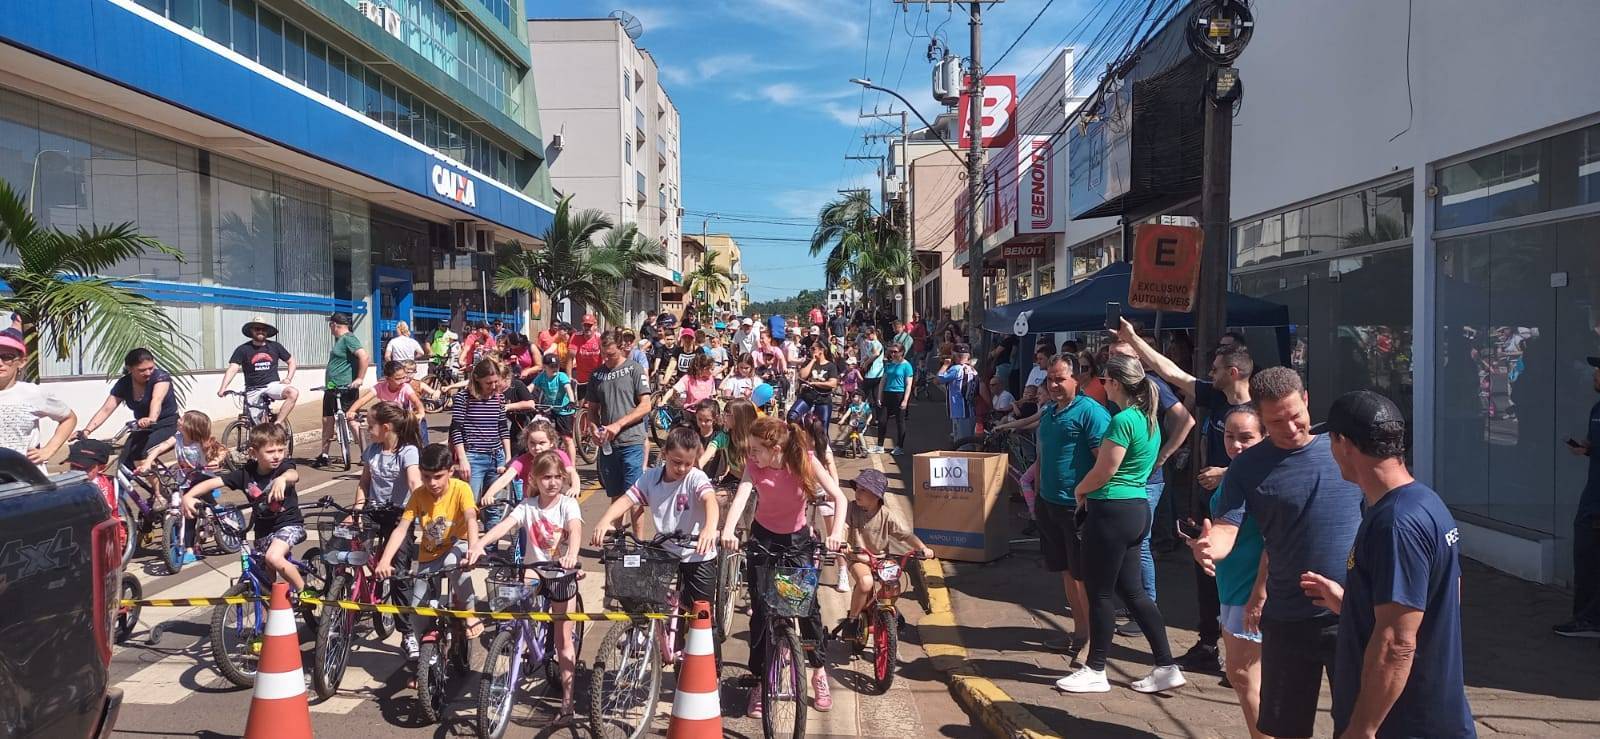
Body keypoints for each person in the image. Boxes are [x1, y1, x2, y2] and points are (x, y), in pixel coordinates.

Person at [1189, 368, 1364, 739]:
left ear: (1307, 400)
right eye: (1277, 421)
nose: (1290, 427)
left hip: (1349, 610)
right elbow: (1226, 529)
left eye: (1295, 416)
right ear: (1264, 420)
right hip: (1286, 617)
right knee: (1284, 726)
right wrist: (1209, 548)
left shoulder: (1345, 450)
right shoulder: (1247, 468)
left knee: (1358, 724)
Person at [1299, 391, 1475, 739]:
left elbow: (1397, 642)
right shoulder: (1426, 501)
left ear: (1345, 444)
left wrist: (1363, 729)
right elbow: (1447, 594)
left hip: (1405, 723)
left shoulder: (1395, 523)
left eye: (1331, 440)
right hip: (1431, 714)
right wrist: (1354, 604)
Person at [1118, 320, 1254, 668]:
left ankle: (1247, 656)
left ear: (1234, 372)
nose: (1209, 374)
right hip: (1213, 508)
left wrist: (1228, 472)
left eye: (1215, 369)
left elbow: (1275, 456)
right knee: (1206, 577)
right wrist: (1134, 338)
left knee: (1241, 583)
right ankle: (1208, 646)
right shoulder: (1217, 397)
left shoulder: (1261, 407)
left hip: (1248, 517)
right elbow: (1173, 373)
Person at [1054, 354, 1183, 694]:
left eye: (1106, 381)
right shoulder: (1147, 417)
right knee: (1133, 591)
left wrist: (1080, 489)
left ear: (1116, 383)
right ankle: (1166, 664)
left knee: (1100, 593)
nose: (1102, 385)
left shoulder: (1123, 419)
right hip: (1136, 508)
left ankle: (1096, 669)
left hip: (1111, 510)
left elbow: (1105, 470)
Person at [719, 417, 848, 717]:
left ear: (775, 448)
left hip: (797, 541)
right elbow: (741, 498)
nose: (750, 455)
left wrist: (836, 532)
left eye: (756, 449)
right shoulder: (755, 467)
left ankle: (817, 671)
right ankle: (761, 683)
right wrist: (728, 530)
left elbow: (839, 497)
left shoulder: (804, 461)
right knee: (761, 615)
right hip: (763, 539)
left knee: (808, 610)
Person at [994, 354, 1105, 657]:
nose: (1054, 384)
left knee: (1085, 579)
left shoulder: (1091, 413)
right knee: (1067, 574)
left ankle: (1095, 644)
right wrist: (1040, 492)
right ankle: (1079, 633)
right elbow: (1044, 455)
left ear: (1077, 379)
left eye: (1060, 378)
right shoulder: (1051, 412)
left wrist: (1087, 496)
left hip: (1078, 508)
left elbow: (1105, 462)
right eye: (1050, 379)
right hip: (1050, 504)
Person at [469, 449, 582, 723]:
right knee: (514, 607)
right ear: (534, 479)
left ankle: (567, 701)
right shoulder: (527, 506)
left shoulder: (567, 505)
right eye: (546, 477)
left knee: (562, 638)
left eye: (557, 477)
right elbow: (504, 525)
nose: (552, 482)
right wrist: (480, 544)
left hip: (559, 574)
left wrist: (572, 555)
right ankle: (522, 642)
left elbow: (575, 529)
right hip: (532, 573)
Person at [1107, 337, 1195, 622]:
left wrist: (1165, 455)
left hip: (1147, 479)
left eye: (1120, 356)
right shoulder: (1114, 386)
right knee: (1126, 542)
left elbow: (1186, 419)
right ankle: (1135, 602)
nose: (1113, 361)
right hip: (1126, 476)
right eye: (1110, 355)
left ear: (1137, 360)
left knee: (1139, 542)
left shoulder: (1153, 384)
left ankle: (1147, 607)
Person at [591, 426, 720, 617]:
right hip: (664, 550)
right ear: (664, 453)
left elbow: (710, 500)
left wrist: (709, 529)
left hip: (697, 554)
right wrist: (605, 521)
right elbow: (627, 499)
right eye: (676, 462)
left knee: (703, 619)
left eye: (688, 463)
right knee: (639, 594)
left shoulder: (695, 477)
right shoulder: (651, 477)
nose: (682, 468)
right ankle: (643, 634)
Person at [375, 443, 482, 663]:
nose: (432, 483)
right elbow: (402, 529)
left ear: (450, 471)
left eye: (438, 476)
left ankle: (470, 613)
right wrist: (385, 560)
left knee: (455, 563)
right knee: (416, 611)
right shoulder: (418, 495)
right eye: (426, 477)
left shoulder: (461, 489)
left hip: (458, 545)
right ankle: (429, 661)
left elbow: (471, 518)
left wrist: (473, 549)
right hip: (429, 554)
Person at [1202, 406, 1271, 738]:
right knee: (1247, 675)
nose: (1237, 445)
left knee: (1242, 674)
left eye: (1247, 438)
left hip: (1250, 588)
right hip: (1231, 583)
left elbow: (1278, 542)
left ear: (1264, 437)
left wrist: (1260, 592)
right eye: (1230, 436)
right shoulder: (1237, 474)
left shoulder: (1264, 481)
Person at [184, 423, 311, 600]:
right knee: (265, 583)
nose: (276, 456)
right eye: (270, 451)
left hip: (288, 524)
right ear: (253, 453)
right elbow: (214, 482)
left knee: (273, 558)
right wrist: (189, 496)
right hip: (262, 531)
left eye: (280, 450)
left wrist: (282, 479)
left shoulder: (283, 467)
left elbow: (292, 474)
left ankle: (305, 591)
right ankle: (268, 622)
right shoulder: (246, 474)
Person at [350, 401, 423, 656]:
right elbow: (364, 483)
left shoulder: (408, 451)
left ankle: (408, 632)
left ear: (386, 427)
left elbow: (415, 481)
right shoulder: (372, 450)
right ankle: (345, 598)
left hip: (399, 517)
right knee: (348, 551)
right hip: (373, 512)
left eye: (370, 426)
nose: (366, 429)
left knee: (399, 573)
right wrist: (356, 511)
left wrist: (423, 513)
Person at [840, 468, 934, 631]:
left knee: (894, 585)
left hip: (882, 559)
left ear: (876, 497)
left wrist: (923, 548)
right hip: (858, 558)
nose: (857, 493)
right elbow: (844, 527)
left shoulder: (886, 515)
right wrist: (841, 542)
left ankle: (888, 610)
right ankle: (853, 620)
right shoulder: (851, 508)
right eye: (858, 489)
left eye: (863, 490)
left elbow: (906, 535)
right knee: (865, 582)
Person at [137, 410, 229, 564]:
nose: (179, 420)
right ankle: (190, 549)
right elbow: (159, 449)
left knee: (200, 507)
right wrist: (147, 462)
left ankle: (219, 514)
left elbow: (222, 450)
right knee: (187, 513)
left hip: (202, 479)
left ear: (192, 427)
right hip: (184, 480)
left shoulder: (202, 442)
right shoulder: (177, 437)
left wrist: (217, 461)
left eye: (183, 420)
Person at [588, 330, 654, 537]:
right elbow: (592, 410)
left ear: (622, 348)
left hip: (631, 441)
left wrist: (618, 425)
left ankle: (639, 543)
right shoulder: (597, 375)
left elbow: (645, 405)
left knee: (634, 495)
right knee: (615, 494)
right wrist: (593, 429)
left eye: (611, 355)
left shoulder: (634, 370)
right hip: (608, 445)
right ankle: (619, 540)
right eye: (603, 354)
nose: (606, 359)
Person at [1556, 356, 1600, 637]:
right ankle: (1586, 616)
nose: (1595, 375)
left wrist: (1591, 451)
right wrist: (1587, 447)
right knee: (1585, 556)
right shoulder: (1596, 409)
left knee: (1591, 557)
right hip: (1591, 496)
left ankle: (1590, 619)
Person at [82, 348, 179, 471]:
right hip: (143, 428)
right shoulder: (124, 384)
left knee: (141, 454)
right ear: (130, 369)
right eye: (142, 370)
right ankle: (126, 490)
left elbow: (157, 400)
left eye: (151, 368)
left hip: (167, 426)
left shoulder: (160, 377)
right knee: (124, 462)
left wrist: (151, 418)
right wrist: (87, 431)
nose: (148, 373)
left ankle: (158, 491)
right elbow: (106, 409)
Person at [0, 333, 74, 472]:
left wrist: (48, 451)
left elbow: (68, 418)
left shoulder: (33, 393)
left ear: (21, 362)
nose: (0, 362)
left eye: (7, 357)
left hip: (25, 480)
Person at [449, 359, 511, 499]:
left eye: (496, 381)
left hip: (497, 456)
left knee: (495, 503)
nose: (493, 386)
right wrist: (463, 459)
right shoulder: (463, 398)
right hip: (473, 456)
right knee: (470, 501)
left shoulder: (498, 397)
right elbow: (456, 430)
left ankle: (494, 522)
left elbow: (503, 427)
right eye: (488, 383)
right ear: (477, 379)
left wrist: (508, 457)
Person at [219, 315, 299, 423]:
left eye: (263, 329)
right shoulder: (243, 349)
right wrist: (223, 388)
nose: (260, 331)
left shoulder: (275, 346)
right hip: (253, 389)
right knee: (257, 425)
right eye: (257, 329)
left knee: (293, 393)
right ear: (251, 331)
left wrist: (288, 378)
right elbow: (233, 368)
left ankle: (278, 423)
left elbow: (291, 361)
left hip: (272, 386)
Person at [316, 312, 370, 467]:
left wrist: (359, 379)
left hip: (345, 387)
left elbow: (364, 357)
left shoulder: (348, 338)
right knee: (327, 420)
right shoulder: (340, 340)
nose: (330, 329)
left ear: (334, 325)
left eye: (330, 325)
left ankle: (366, 453)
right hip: (332, 387)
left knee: (352, 419)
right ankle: (324, 455)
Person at [351, 360, 428, 438]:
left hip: (405, 421)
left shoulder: (405, 387)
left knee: (420, 426)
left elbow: (416, 401)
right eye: (398, 379)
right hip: (390, 422)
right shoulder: (380, 387)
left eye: (404, 377)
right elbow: (363, 399)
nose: (403, 381)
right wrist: (352, 411)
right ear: (388, 379)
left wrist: (421, 413)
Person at [875, 344, 915, 454]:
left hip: (899, 394)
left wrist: (905, 400)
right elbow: (883, 381)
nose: (892, 354)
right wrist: (879, 396)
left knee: (900, 421)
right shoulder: (889, 365)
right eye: (891, 351)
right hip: (888, 394)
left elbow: (908, 384)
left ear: (901, 352)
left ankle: (899, 447)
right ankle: (879, 446)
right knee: (882, 420)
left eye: (895, 351)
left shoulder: (907, 366)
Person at [935, 345, 981, 441]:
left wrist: (945, 365)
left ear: (955, 355)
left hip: (959, 410)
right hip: (970, 410)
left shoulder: (956, 369)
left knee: (961, 442)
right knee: (969, 439)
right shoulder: (973, 370)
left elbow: (939, 378)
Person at [790, 342, 840, 428]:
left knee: (822, 430)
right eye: (810, 349)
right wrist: (812, 360)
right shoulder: (808, 363)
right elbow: (802, 375)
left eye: (814, 349)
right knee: (792, 416)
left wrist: (816, 383)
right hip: (807, 398)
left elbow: (833, 383)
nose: (811, 351)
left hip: (823, 400)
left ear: (822, 350)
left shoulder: (831, 366)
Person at [571, 314, 602, 401]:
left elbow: (605, 357)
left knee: (597, 404)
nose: (587, 328)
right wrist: (569, 376)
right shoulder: (576, 337)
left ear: (595, 326)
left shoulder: (599, 338)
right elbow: (570, 357)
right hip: (582, 379)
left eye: (590, 325)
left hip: (597, 378)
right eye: (585, 325)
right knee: (581, 406)